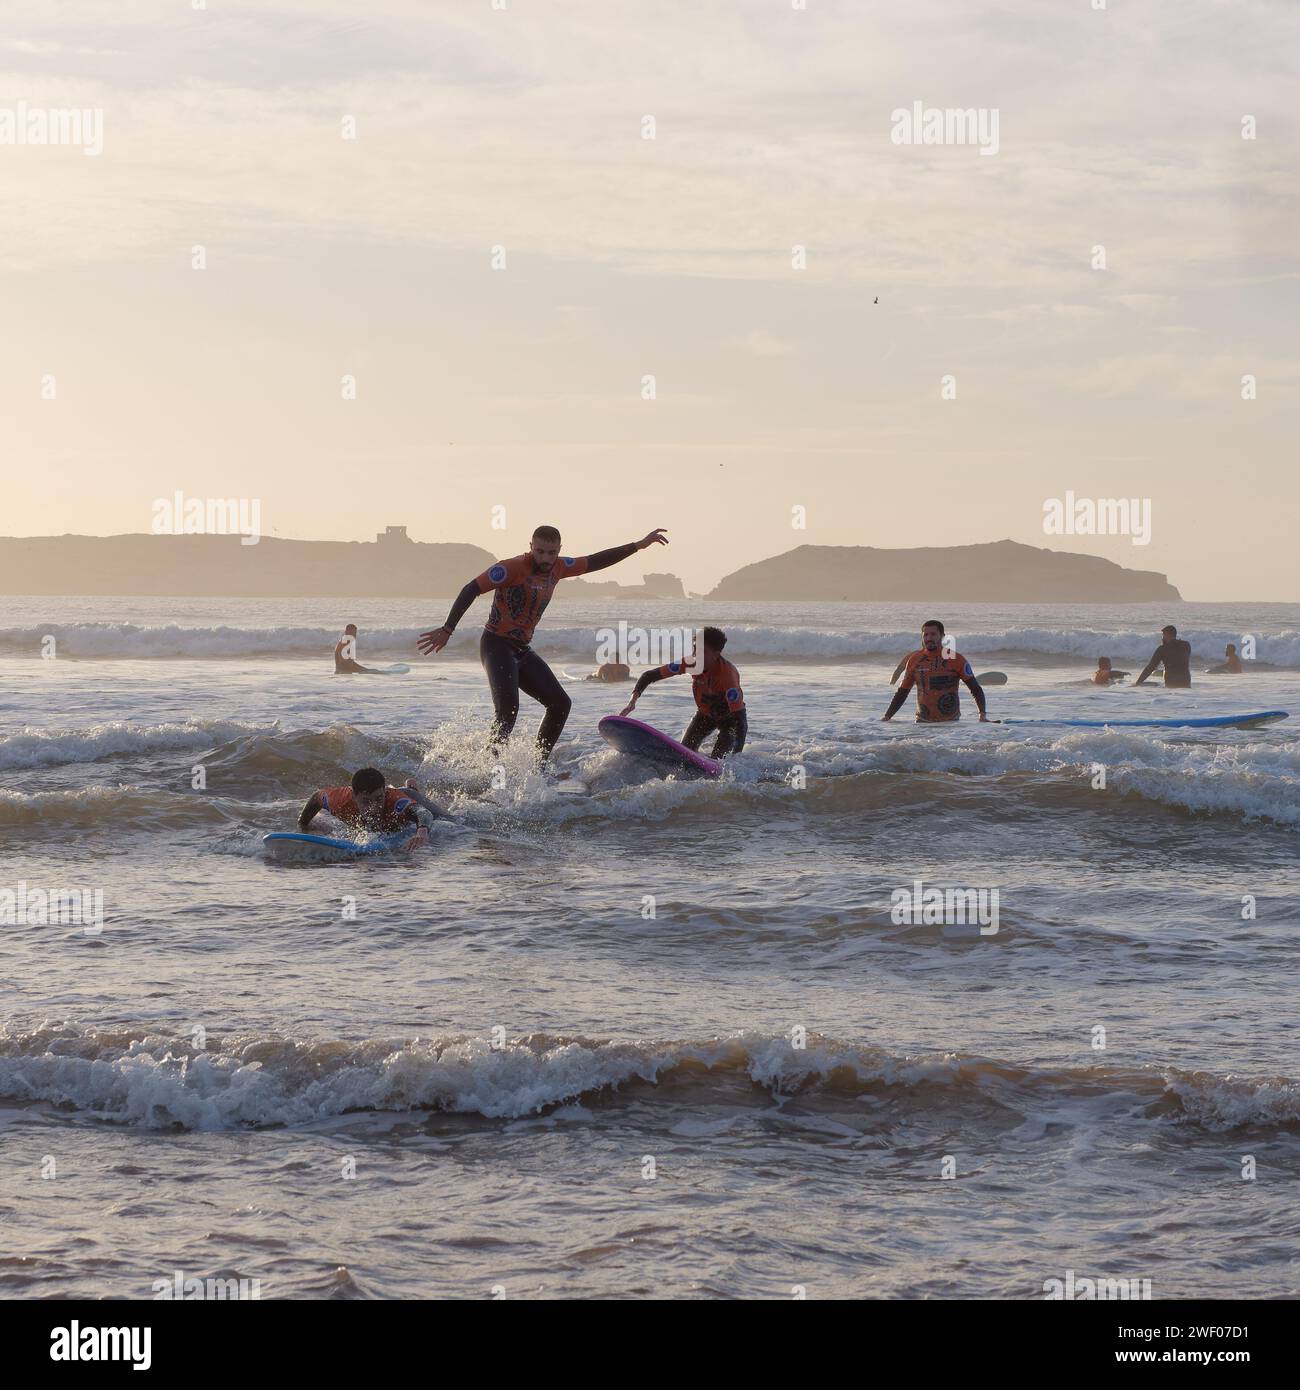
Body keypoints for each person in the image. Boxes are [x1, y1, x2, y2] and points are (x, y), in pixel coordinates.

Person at [417, 524, 668, 759]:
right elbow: (471, 588)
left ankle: (538, 765)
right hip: (496, 645)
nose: (545, 559)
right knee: (507, 712)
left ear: (559, 550)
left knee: (560, 704)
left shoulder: (560, 567)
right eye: (539, 552)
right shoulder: (510, 568)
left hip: (522, 650)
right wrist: (448, 629)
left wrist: (638, 545)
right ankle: (490, 766)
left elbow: (596, 561)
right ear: (531, 547)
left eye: (551, 552)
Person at [620, 626, 747, 758]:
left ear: (716, 654)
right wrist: (632, 701)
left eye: (702, 651)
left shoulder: (727, 676)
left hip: (730, 721)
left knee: (720, 759)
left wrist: (738, 756)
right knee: (684, 754)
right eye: (694, 648)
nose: (695, 655)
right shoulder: (689, 663)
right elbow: (649, 676)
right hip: (705, 715)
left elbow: (740, 720)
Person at [297, 767, 445, 848]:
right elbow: (316, 797)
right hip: (397, 796)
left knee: (450, 820)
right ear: (354, 796)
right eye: (366, 801)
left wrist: (422, 832)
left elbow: (422, 812)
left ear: (384, 792)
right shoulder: (340, 800)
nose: (374, 807)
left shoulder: (394, 801)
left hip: (407, 798)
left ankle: (411, 789)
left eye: (378, 799)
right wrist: (303, 823)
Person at [883, 620, 988, 722]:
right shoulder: (914, 660)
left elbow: (975, 689)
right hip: (922, 723)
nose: (929, 638)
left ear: (942, 636)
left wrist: (982, 715)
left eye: (933, 634)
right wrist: (887, 717)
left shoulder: (956, 659)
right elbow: (902, 693)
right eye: (925, 635)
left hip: (952, 727)